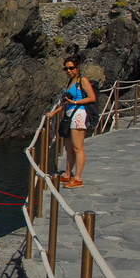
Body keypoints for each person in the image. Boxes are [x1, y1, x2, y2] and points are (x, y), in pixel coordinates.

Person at [46, 54, 96, 189]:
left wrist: (75, 101)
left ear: (78, 67)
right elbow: (65, 104)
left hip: (78, 115)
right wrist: (54, 113)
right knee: (68, 148)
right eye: (66, 69)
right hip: (70, 114)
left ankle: (78, 178)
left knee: (77, 148)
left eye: (71, 68)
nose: (69, 71)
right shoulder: (71, 82)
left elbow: (92, 98)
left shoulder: (82, 80)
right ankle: (67, 174)